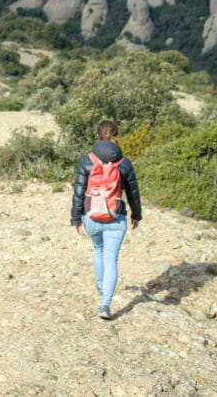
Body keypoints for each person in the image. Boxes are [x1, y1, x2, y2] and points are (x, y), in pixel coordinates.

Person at [71, 120, 142, 320]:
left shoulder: (86, 160)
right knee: (111, 258)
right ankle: (105, 305)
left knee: (98, 250)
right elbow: (133, 194)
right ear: (117, 135)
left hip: (92, 216)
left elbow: (78, 193)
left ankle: (101, 286)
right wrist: (136, 215)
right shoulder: (125, 163)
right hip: (116, 218)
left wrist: (76, 218)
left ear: (97, 136)